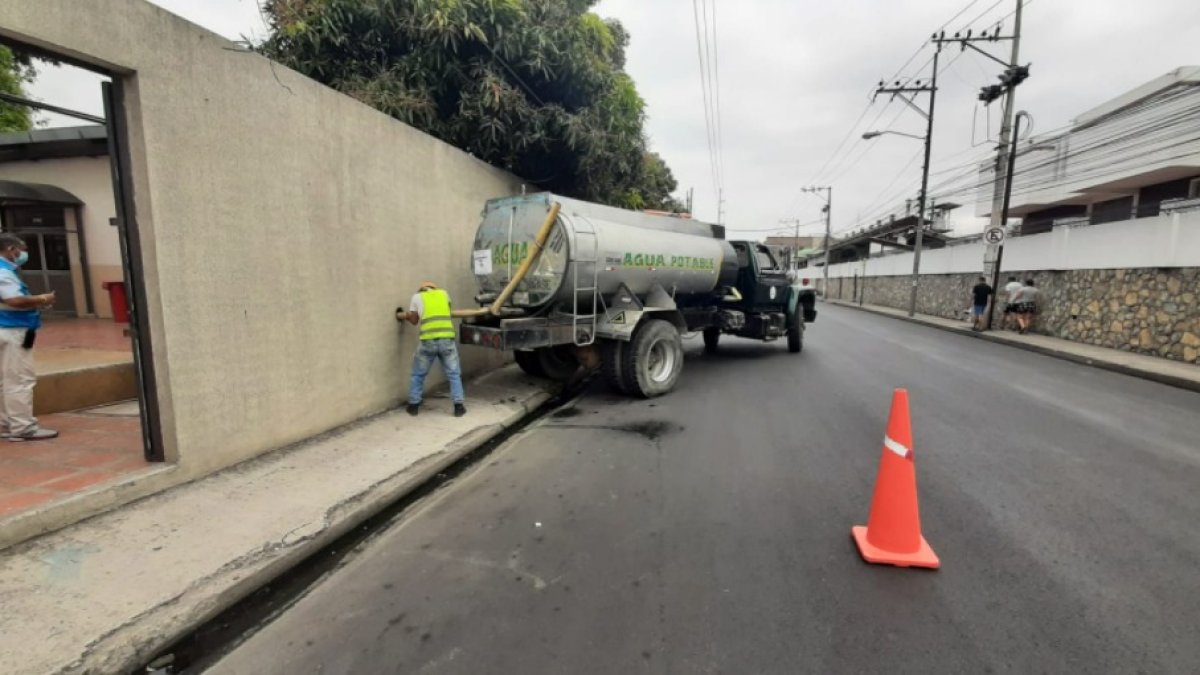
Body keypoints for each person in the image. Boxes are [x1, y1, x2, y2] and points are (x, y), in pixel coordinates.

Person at [0, 234, 58, 441]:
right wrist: (42, 298)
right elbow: (14, 300)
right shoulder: (3, 271)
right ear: (9, 248)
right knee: (19, 380)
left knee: (4, 381)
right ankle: (23, 428)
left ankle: (6, 424)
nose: (23, 254)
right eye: (21, 249)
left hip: (8, 328)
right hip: (12, 330)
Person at [399, 282, 465, 417]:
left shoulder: (417, 297)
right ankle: (459, 407)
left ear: (422, 289)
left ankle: (413, 406)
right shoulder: (444, 294)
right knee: (453, 374)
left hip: (428, 341)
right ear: (434, 288)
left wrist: (405, 315)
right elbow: (447, 311)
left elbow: (414, 320)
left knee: (418, 374)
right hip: (447, 340)